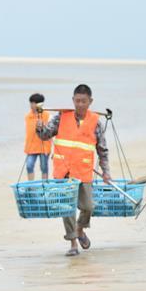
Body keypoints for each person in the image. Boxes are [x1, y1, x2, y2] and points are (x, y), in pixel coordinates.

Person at [36, 84, 111, 257]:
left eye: (83, 101)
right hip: (63, 171)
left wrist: (106, 171)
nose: (80, 105)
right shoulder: (61, 117)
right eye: (77, 101)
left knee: (88, 207)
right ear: (72, 100)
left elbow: (102, 150)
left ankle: (80, 229)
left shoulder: (95, 123)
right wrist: (39, 127)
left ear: (90, 102)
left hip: (83, 171)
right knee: (67, 208)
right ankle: (73, 242)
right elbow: (45, 135)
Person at [24, 93, 52, 181]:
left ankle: (44, 186)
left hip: (44, 147)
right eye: (31, 103)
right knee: (29, 166)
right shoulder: (28, 117)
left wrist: (43, 125)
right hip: (31, 147)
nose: (31, 105)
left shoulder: (47, 115)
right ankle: (31, 185)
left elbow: (51, 131)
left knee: (44, 167)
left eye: (33, 103)